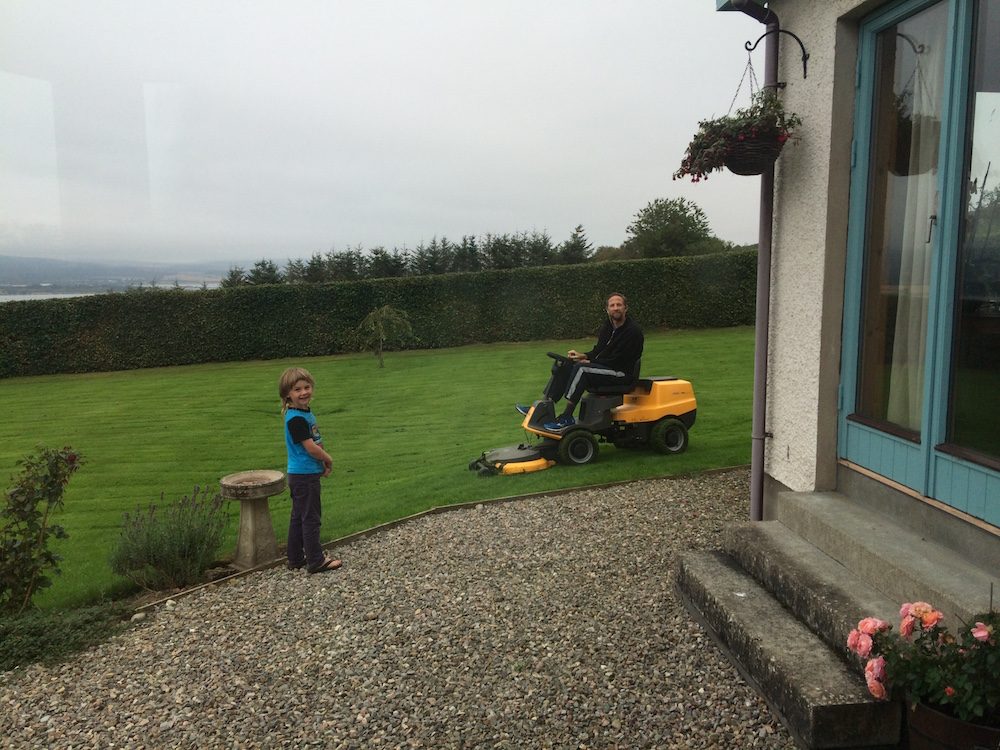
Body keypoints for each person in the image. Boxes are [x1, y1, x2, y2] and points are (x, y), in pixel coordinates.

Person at [519, 292, 644, 431]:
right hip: (607, 367)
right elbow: (599, 350)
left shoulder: (633, 332)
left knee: (582, 369)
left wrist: (590, 362)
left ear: (625, 308)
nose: (616, 308)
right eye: (612, 305)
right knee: (566, 365)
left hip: (622, 374)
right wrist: (583, 356)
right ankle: (542, 407)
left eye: (619, 305)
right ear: (607, 309)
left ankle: (567, 416)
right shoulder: (609, 326)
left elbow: (617, 360)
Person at [279, 366, 342, 574]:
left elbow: (316, 440)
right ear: (288, 394)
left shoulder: (303, 413)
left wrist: (321, 463)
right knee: (311, 517)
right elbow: (311, 448)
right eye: (297, 389)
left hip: (304, 474)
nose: (304, 392)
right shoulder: (296, 418)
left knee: (299, 516)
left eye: (307, 387)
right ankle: (315, 560)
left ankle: (296, 558)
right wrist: (328, 459)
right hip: (303, 475)